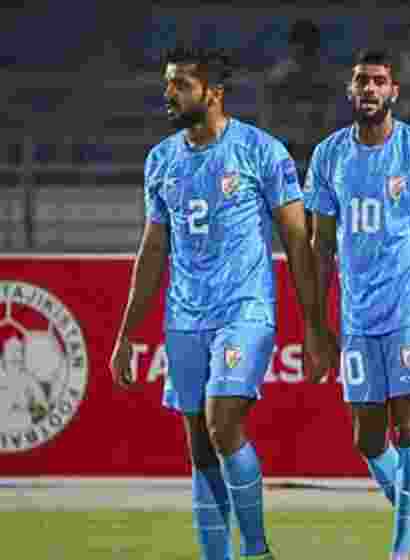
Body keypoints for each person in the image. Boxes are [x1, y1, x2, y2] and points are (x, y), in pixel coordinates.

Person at [109, 46, 339, 560]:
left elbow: (297, 243)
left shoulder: (262, 152)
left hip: (245, 310)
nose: (169, 94)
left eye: (181, 85)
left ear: (213, 93)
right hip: (185, 316)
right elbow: (152, 250)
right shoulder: (161, 160)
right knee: (198, 445)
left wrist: (315, 326)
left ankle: (256, 550)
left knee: (221, 422)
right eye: (169, 84)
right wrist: (127, 334)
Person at [305, 49, 410, 560]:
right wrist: (315, 323)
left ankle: (401, 552)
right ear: (350, 91)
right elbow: (319, 246)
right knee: (367, 439)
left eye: (378, 81)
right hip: (357, 317)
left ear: (394, 90)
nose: (369, 90)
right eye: (361, 82)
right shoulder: (329, 155)